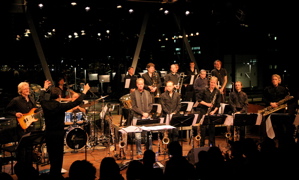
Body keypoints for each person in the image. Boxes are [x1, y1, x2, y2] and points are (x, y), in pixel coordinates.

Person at [39, 80, 90, 179]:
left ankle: (52, 174)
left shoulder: (44, 104)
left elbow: (41, 97)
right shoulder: (60, 106)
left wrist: (44, 88)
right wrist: (84, 91)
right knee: (58, 155)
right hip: (58, 133)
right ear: (59, 96)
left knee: (51, 154)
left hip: (48, 133)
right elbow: (77, 102)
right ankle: (56, 174)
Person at [262, 74, 293, 147]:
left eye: (275, 79)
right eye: (273, 79)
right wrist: (271, 103)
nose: (274, 81)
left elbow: (286, 100)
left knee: (280, 128)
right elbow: (263, 99)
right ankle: (269, 143)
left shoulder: (284, 89)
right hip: (270, 110)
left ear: (279, 80)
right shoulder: (267, 89)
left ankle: (281, 143)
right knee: (269, 127)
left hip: (280, 111)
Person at [195, 76, 221, 147]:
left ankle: (212, 145)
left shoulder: (217, 92)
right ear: (209, 82)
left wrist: (213, 111)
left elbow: (218, 104)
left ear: (216, 83)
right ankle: (202, 144)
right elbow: (199, 100)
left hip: (212, 112)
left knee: (212, 129)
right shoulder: (204, 90)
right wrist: (207, 104)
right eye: (211, 82)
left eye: (214, 83)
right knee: (203, 128)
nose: (212, 84)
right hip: (203, 111)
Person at [130, 78, 153, 157]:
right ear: (137, 85)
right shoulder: (133, 94)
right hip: (137, 116)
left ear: (143, 84)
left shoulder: (147, 93)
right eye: (139, 84)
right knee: (138, 137)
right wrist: (142, 113)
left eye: (142, 84)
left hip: (147, 115)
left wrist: (147, 113)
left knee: (149, 135)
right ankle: (139, 152)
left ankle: (149, 151)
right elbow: (134, 107)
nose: (140, 85)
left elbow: (150, 104)